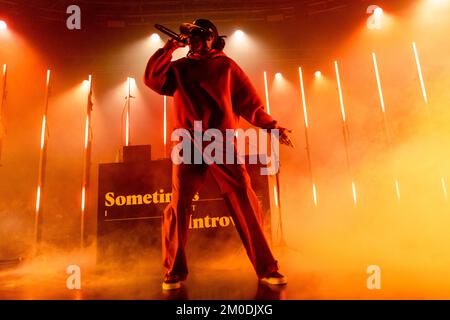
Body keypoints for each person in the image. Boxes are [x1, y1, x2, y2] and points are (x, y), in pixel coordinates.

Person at [144, 19, 293, 290]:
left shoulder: (226, 66)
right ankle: (173, 272)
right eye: (189, 36)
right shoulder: (178, 68)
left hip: (220, 139)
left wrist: (272, 127)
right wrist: (169, 48)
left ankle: (267, 268)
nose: (192, 39)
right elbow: (153, 79)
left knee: (244, 201)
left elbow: (250, 102)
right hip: (187, 140)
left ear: (211, 38)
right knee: (179, 205)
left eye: (198, 35)